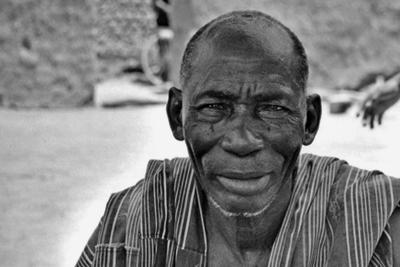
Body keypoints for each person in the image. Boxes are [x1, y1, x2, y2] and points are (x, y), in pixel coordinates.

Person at [76, 11, 400, 267]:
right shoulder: (131, 221)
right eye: (214, 107)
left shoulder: (374, 222)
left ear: (309, 121)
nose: (242, 142)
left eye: (273, 108)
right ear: (177, 115)